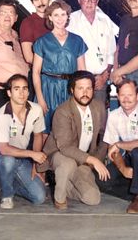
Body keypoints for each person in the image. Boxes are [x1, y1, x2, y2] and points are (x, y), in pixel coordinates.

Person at [41, 71, 109, 209]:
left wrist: (94, 160)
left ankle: (65, 184)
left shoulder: (99, 107)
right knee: (68, 164)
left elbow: (104, 138)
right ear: (72, 90)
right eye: (80, 88)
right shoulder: (63, 111)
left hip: (84, 159)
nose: (85, 93)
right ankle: (59, 198)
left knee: (93, 198)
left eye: (89, 88)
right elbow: (65, 147)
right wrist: (92, 160)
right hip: (60, 155)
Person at [101, 79, 138, 213]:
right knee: (102, 179)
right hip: (131, 160)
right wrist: (123, 169)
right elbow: (112, 149)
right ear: (117, 96)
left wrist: (119, 144)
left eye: (130, 95)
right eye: (122, 95)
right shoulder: (114, 115)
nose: (126, 99)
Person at [0, 74, 48, 209]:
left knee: (39, 197)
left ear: (29, 92)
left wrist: (36, 164)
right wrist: (32, 154)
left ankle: (6, 185)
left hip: (23, 160)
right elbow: (3, 149)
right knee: (7, 160)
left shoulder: (36, 110)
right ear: (9, 93)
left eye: (24, 89)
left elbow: (38, 136)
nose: (21, 93)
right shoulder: (1, 115)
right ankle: (6, 196)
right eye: (16, 89)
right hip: (2, 161)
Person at [32, 0, 87, 132]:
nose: (60, 18)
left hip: (70, 89)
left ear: (68, 16)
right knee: (45, 130)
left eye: (63, 14)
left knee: (69, 128)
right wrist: (40, 97)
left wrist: (81, 94)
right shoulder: (42, 41)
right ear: (50, 17)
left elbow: (82, 71)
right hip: (48, 89)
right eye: (56, 15)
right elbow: (36, 71)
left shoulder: (77, 40)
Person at [68, 0, 117, 103]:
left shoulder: (105, 20)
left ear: (97, 1)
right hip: (79, 83)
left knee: (100, 118)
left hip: (100, 82)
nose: (90, 2)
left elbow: (112, 52)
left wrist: (105, 76)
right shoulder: (70, 20)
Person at [19, 0, 52, 67]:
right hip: (43, 72)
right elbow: (28, 57)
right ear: (32, 2)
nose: (40, 3)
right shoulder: (28, 22)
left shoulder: (57, 19)